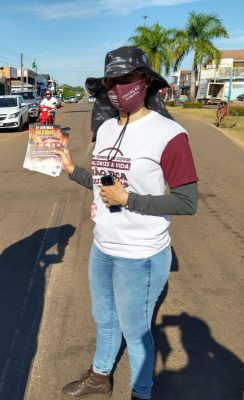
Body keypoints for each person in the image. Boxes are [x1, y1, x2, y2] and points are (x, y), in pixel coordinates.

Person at [55, 46, 198, 400]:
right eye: (111, 82)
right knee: (104, 319)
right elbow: (104, 182)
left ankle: (141, 392)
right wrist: (74, 170)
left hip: (142, 254)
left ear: (145, 81)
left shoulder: (169, 134)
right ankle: (100, 376)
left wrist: (128, 200)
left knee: (136, 332)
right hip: (103, 247)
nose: (117, 88)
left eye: (125, 79)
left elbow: (186, 202)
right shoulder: (104, 129)